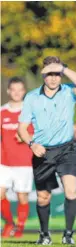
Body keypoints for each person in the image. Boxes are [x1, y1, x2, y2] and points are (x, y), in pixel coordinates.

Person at [17, 56, 76, 245]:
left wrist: (64, 69)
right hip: (43, 152)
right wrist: (32, 144)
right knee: (43, 197)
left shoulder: (68, 92)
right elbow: (22, 129)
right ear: (43, 74)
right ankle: (44, 234)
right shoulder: (32, 97)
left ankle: (68, 233)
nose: (53, 78)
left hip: (66, 150)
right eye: (49, 74)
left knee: (71, 191)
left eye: (56, 74)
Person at [1, 77, 34, 238]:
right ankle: (9, 223)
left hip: (24, 162)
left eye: (20, 89)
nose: (16, 93)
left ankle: (20, 227)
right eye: (13, 89)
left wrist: (25, 135)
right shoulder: (2, 111)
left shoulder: (29, 111)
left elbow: (37, 134)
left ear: (24, 91)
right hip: (4, 162)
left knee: (22, 196)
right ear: (8, 91)